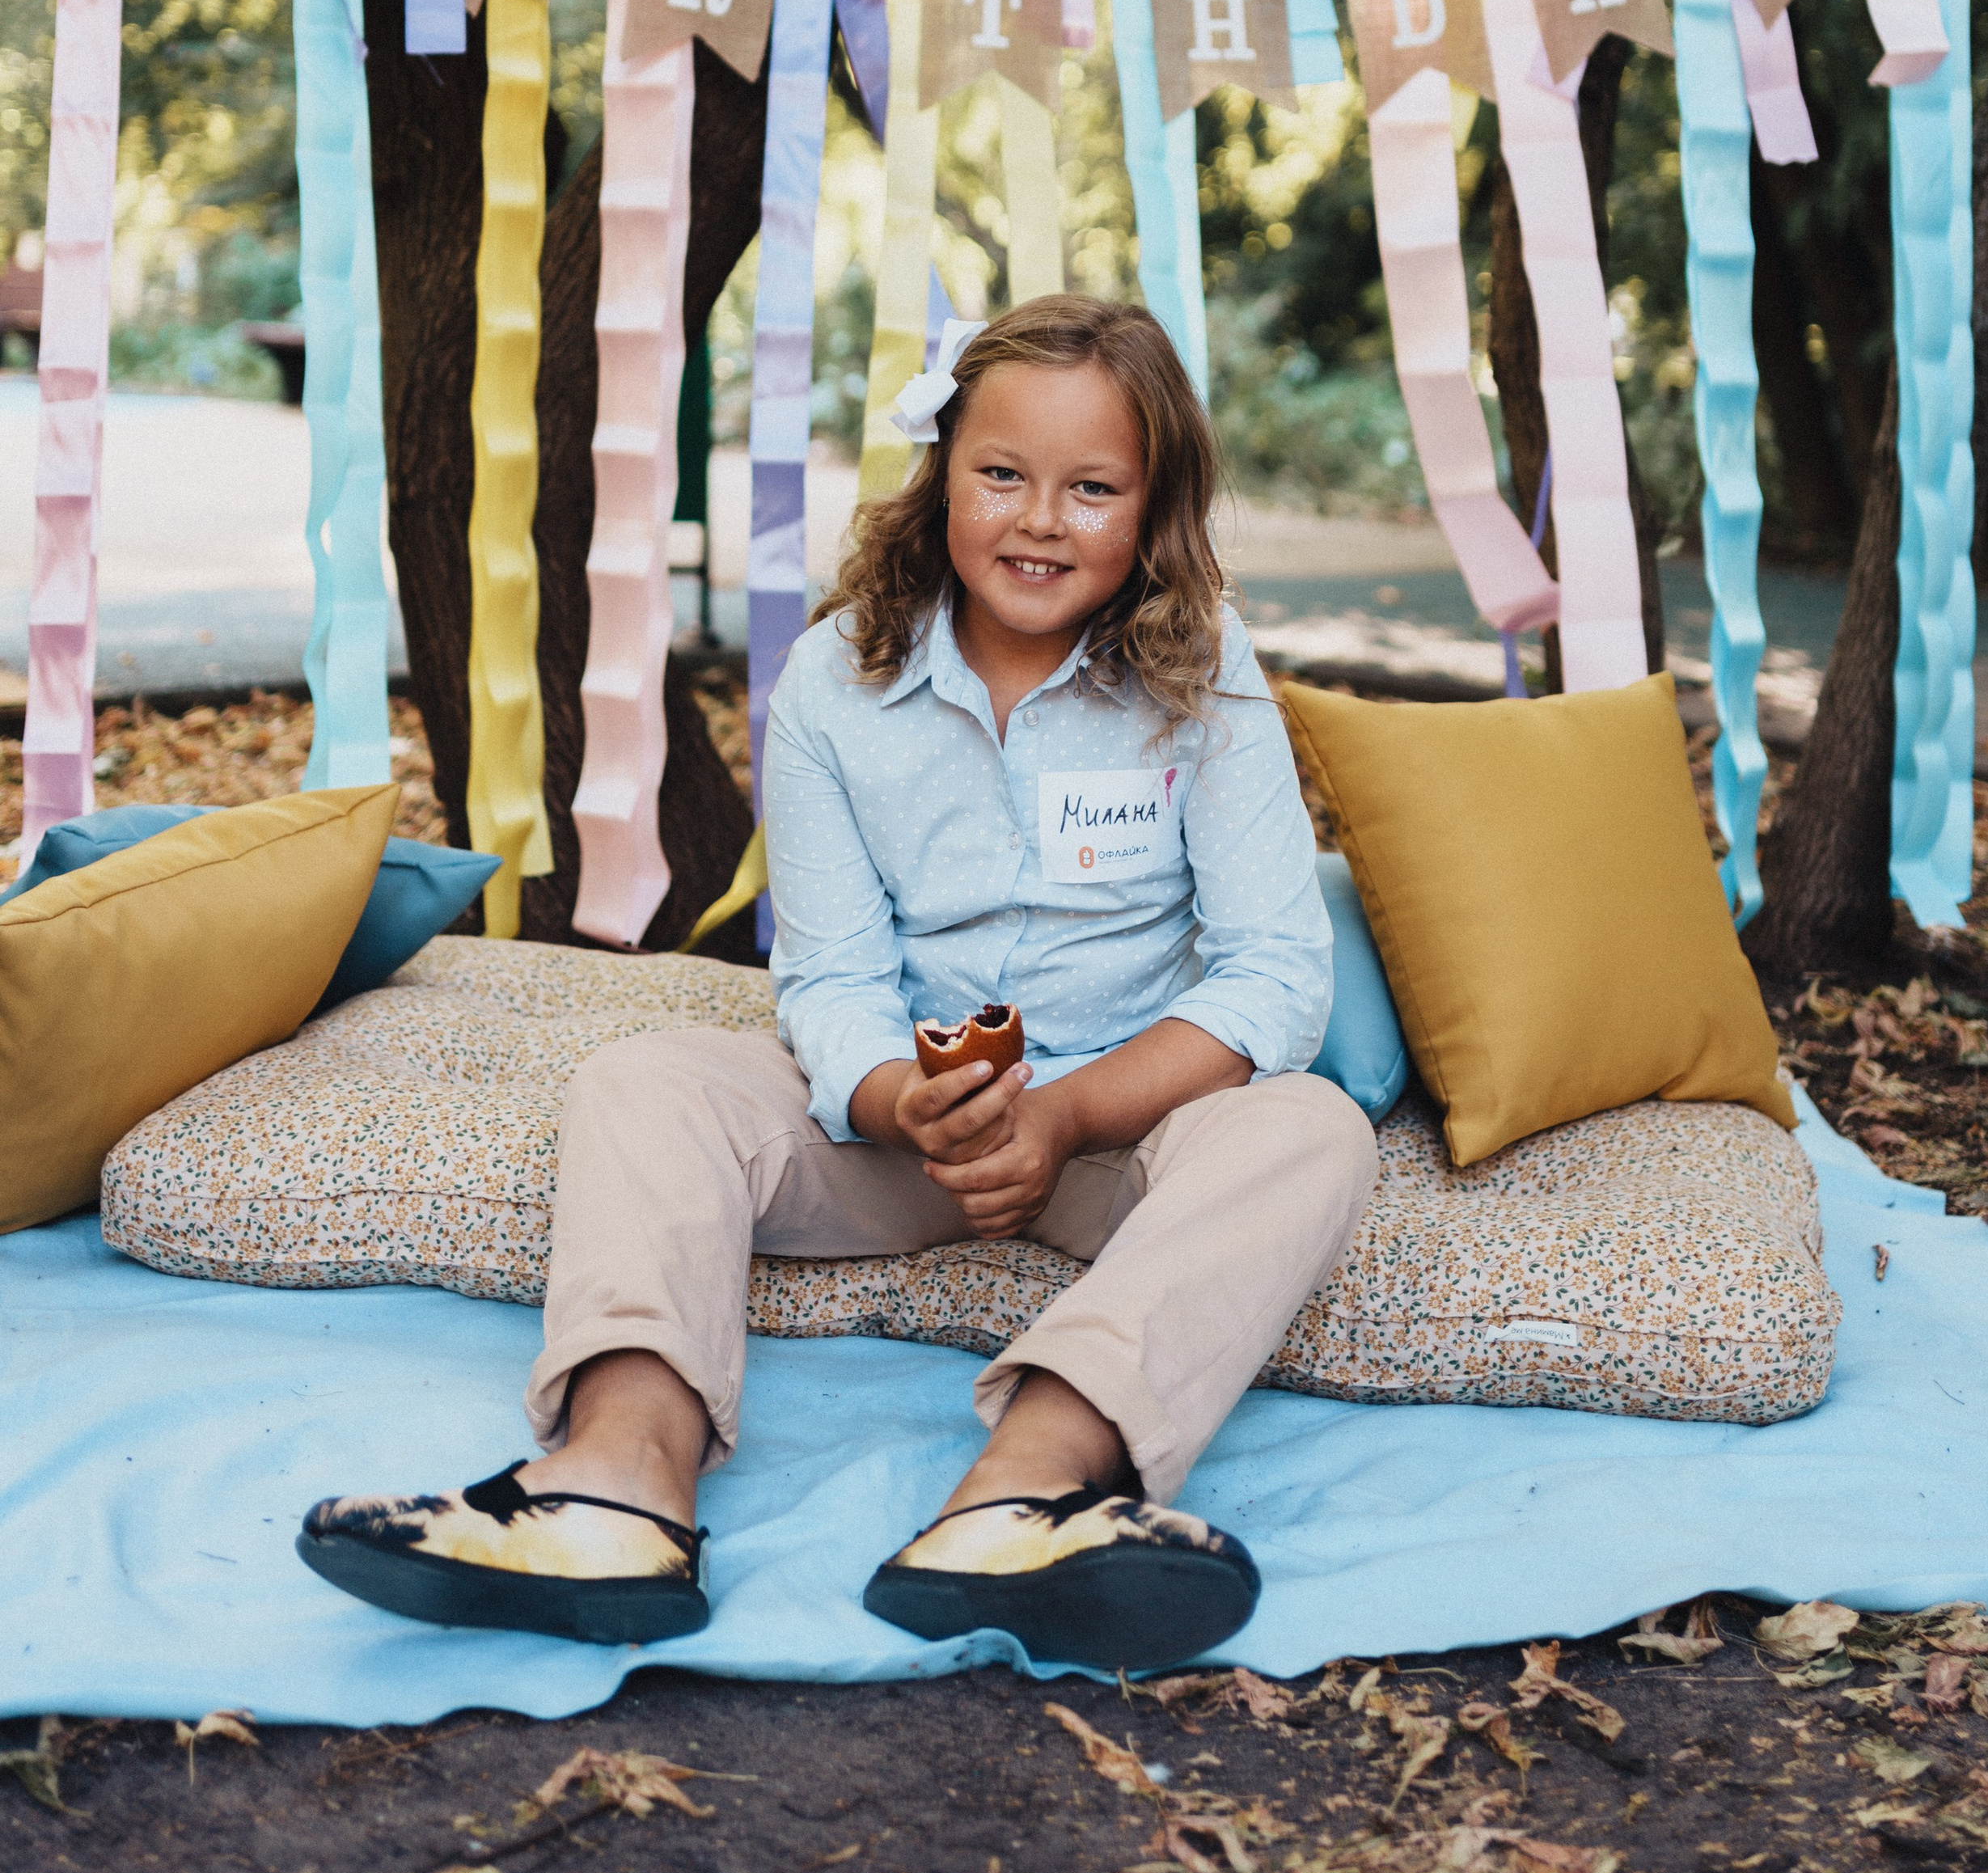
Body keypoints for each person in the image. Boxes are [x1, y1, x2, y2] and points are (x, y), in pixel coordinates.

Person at [298, 296, 1377, 1669]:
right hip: (899, 1130)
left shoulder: (1208, 673)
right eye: (1002, 475)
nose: (1040, 520)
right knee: (650, 1077)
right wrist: (889, 1096)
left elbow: (1277, 976)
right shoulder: (831, 677)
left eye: (1092, 488)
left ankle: (1024, 1496)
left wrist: (1066, 1117)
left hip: (1122, 1139)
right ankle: (614, 1490)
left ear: (1154, 509)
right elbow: (829, 972)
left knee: (1309, 1126)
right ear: (941, 480)